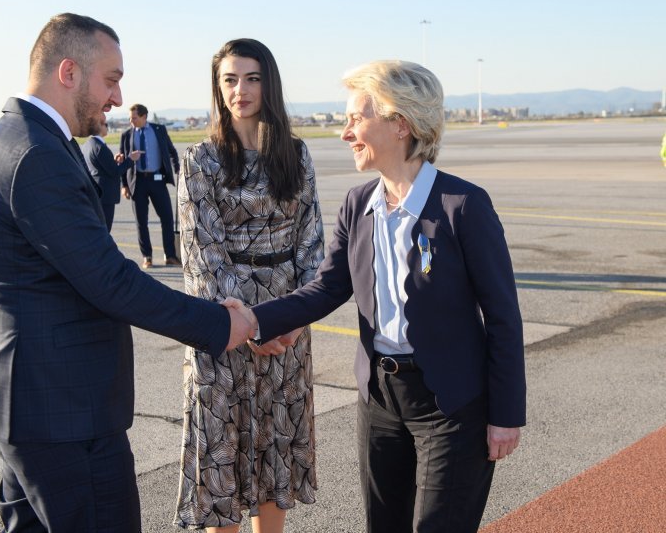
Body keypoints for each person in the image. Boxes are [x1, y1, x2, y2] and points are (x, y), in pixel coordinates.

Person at [0, 13, 255, 533]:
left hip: (29, 405)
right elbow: (109, 280)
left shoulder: (7, 139)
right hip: (63, 414)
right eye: (111, 80)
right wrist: (218, 324)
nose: (117, 98)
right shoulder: (36, 156)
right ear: (68, 72)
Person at [227, 60, 526, 533]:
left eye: (355, 119)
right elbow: (326, 287)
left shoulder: (463, 206)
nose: (346, 133)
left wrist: (507, 415)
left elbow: (504, 318)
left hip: (450, 404)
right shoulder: (358, 203)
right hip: (381, 400)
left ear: (400, 123)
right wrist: (252, 320)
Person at [174, 38, 325, 533]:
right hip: (224, 320)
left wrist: (291, 321)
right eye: (230, 80)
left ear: (270, 84)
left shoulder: (296, 155)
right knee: (223, 446)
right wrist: (246, 325)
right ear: (218, 89)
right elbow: (201, 251)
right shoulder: (200, 159)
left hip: (287, 320)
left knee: (276, 442)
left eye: (253, 78)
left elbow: (312, 244)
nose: (241, 90)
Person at [120, 103, 181, 268]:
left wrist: (177, 168)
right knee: (141, 221)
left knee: (167, 218)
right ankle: (147, 256)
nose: (131, 121)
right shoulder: (126, 135)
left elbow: (171, 151)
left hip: (157, 179)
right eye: (130, 118)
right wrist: (124, 184)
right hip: (137, 181)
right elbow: (123, 162)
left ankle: (170, 255)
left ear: (144, 116)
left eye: (134, 118)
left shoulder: (159, 130)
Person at [81, 119, 127, 231]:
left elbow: (101, 167)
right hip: (106, 194)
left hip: (96, 192)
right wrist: (130, 160)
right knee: (106, 229)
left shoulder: (88, 144)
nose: (107, 127)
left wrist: (113, 161)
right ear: (100, 127)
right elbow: (115, 172)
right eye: (106, 125)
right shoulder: (100, 147)